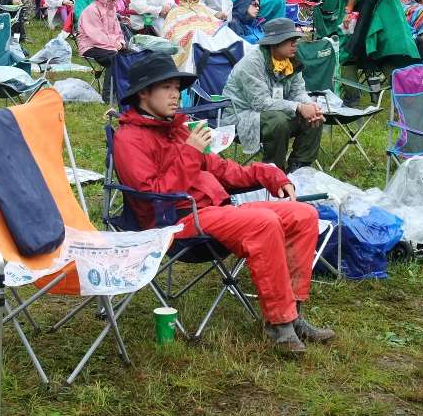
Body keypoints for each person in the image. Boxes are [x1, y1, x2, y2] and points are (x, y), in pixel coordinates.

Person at [113, 52, 333, 352]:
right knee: (263, 222)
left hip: (215, 212)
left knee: (302, 215)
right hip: (174, 221)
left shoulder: (177, 129)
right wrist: (190, 152)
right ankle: (279, 323)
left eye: (177, 87)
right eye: (166, 87)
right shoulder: (129, 138)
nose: (176, 94)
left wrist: (270, 174)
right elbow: (153, 196)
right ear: (143, 93)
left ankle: (293, 314)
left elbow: (222, 170)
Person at [223, 18, 324, 171]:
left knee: (314, 116)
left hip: (275, 112)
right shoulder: (252, 63)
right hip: (242, 116)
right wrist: (299, 107)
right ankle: (273, 171)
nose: (295, 44)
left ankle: (299, 167)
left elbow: (298, 91)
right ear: (275, 43)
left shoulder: (291, 61)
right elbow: (261, 103)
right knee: (278, 120)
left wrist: (309, 105)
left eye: (296, 39)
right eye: (290, 40)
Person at [77, 0, 128, 99]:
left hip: (109, 45)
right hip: (90, 46)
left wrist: (121, 42)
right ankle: (108, 96)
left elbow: (118, 31)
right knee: (115, 57)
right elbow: (96, 35)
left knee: (132, 55)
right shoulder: (91, 10)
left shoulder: (112, 8)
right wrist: (115, 45)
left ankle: (126, 91)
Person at [162, 0, 224, 66]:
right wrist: (191, 33)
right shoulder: (175, 11)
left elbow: (214, 22)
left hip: (207, 37)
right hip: (191, 39)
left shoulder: (201, 7)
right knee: (193, 36)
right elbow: (169, 32)